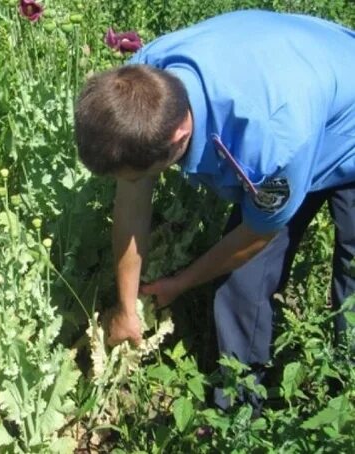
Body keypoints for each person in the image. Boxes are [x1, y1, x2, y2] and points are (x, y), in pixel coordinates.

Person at [74, 9, 355, 409]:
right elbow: (131, 203)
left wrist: (182, 282)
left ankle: (345, 392)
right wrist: (126, 306)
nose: (132, 182)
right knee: (241, 285)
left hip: (338, 112)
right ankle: (240, 418)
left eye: (139, 175)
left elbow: (257, 235)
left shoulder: (271, 143)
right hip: (304, 82)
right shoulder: (142, 82)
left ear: (177, 139)